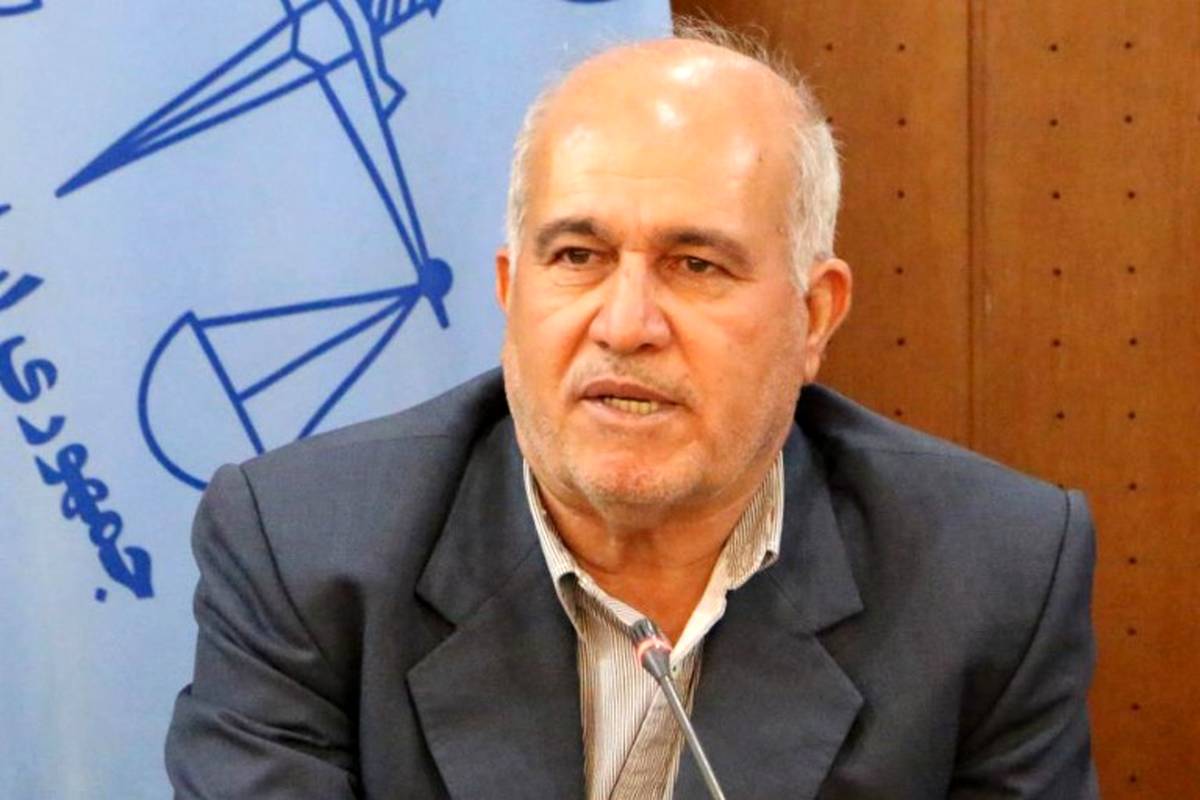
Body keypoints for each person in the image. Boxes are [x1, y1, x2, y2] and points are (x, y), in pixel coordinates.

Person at [165, 21, 1098, 800]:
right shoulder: (303, 552)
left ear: (814, 315)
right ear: (510, 292)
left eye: (696, 265)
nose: (625, 325)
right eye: (578, 257)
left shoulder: (988, 577)